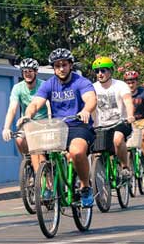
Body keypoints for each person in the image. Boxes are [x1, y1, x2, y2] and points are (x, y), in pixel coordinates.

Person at [19, 49, 97, 206]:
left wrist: (85, 111)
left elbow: (91, 99)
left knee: (76, 152)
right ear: (53, 68)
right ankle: (47, 186)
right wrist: (28, 115)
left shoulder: (81, 82)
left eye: (64, 65)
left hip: (78, 126)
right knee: (37, 148)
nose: (61, 68)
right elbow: (36, 103)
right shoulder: (49, 84)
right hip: (57, 128)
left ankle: (85, 187)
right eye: (57, 66)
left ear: (70, 66)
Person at [2, 58, 50, 174]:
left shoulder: (43, 85)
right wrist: (6, 127)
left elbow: (49, 105)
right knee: (19, 139)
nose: (27, 74)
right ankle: (28, 162)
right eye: (25, 71)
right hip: (28, 123)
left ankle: (45, 181)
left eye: (30, 71)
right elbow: (12, 108)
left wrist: (50, 121)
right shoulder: (18, 88)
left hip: (44, 122)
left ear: (36, 72)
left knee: (40, 153)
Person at [90, 56, 135, 180]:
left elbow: (128, 101)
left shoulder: (121, 85)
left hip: (120, 122)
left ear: (110, 71)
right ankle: (98, 177)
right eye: (97, 71)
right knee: (96, 151)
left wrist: (130, 115)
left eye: (103, 70)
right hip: (100, 125)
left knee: (118, 140)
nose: (100, 74)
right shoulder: (92, 87)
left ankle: (125, 167)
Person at [124, 71, 144, 170]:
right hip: (128, 121)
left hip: (142, 120)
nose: (130, 85)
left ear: (136, 82)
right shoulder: (123, 93)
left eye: (133, 82)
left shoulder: (143, 92)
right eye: (128, 82)